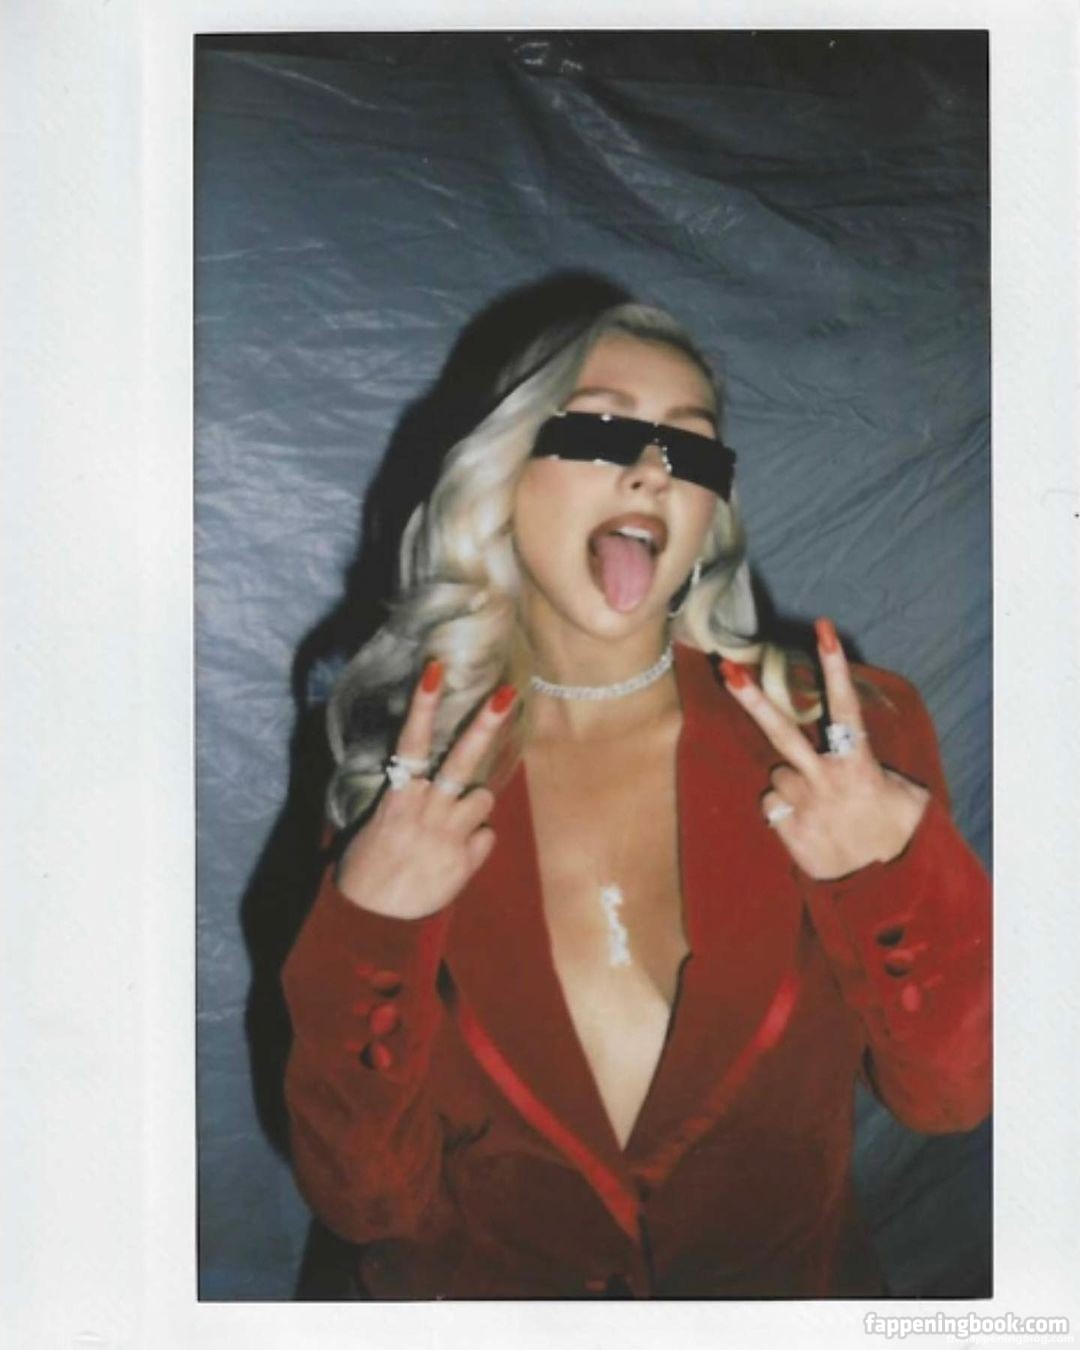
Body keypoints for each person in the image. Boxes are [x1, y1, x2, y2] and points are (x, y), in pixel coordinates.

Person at [280, 301, 991, 1299]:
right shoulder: (408, 776)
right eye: (601, 429)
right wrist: (374, 925)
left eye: (688, 448)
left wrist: (889, 869)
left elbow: (951, 1098)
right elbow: (366, 1201)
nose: (653, 470)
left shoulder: (838, 736)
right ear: (503, 471)